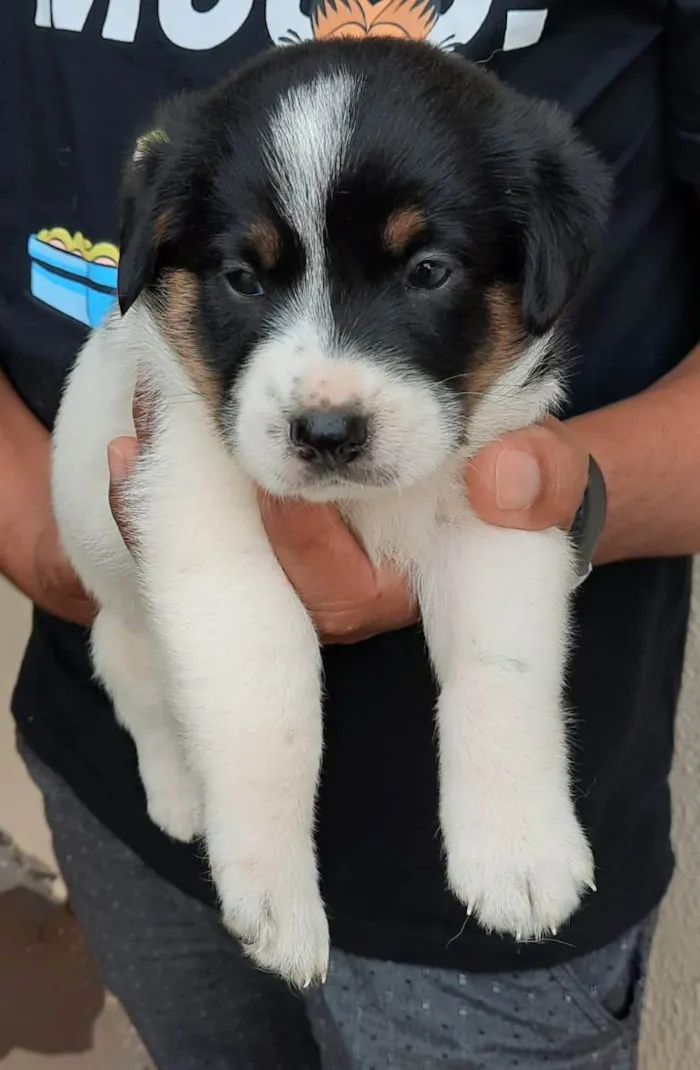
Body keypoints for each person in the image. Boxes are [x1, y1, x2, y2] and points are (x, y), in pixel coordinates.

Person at [2, 3, 699, 1068]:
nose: (322, 393)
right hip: (96, 751)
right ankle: (158, 727)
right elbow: (209, 578)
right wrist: (48, 544)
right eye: (247, 275)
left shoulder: (514, 265)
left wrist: (570, 487)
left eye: (424, 273)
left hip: (472, 961)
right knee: (147, 647)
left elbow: (495, 533)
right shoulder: (180, 340)